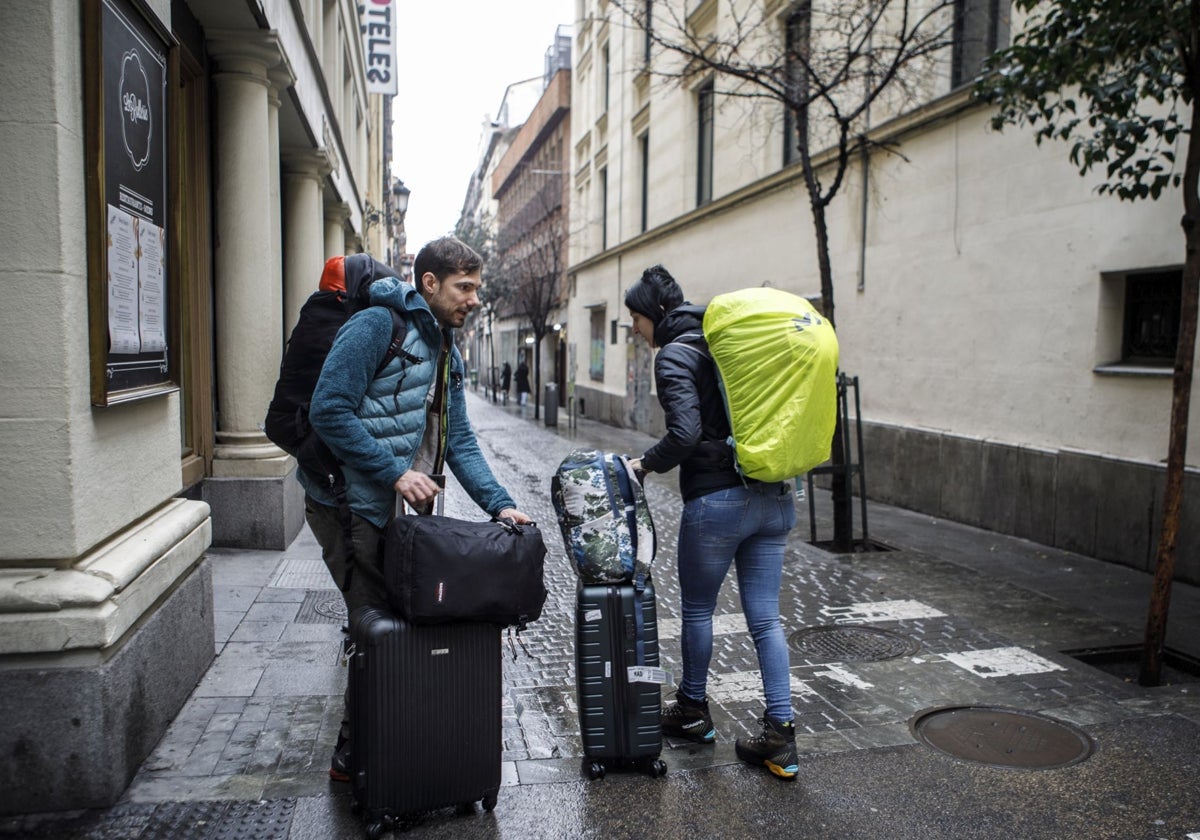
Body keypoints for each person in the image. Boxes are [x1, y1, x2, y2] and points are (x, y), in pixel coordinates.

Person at [301, 236, 532, 782]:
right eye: (464, 287)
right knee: (375, 621)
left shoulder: (444, 344)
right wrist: (396, 473)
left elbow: (460, 440)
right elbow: (327, 411)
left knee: (393, 619)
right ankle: (356, 756)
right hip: (348, 503)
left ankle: (388, 736)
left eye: (477, 288)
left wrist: (501, 506)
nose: (474, 299)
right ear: (428, 283)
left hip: (393, 509)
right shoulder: (377, 325)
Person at [625, 264, 799, 781]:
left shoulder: (675, 355)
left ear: (654, 315)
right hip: (773, 495)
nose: (634, 329)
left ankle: (694, 711)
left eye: (635, 318)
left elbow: (684, 433)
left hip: (718, 501)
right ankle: (780, 735)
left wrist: (642, 465)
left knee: (698, 609)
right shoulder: (723, 345)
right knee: (766, 619)